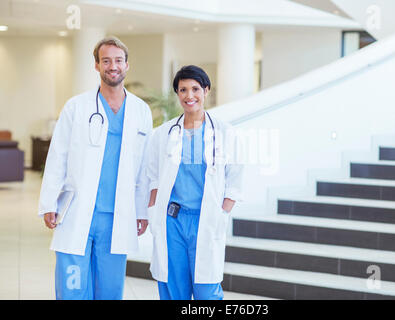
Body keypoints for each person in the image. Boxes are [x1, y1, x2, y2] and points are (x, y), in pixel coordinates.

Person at [38, 36, 153, 300]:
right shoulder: (76, 107)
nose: (113, 66)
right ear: (97, 66)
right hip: (76, 211)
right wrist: (48, 203)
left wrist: (142, 210)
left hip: (117, 215)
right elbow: (57, 156)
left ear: (127, 65)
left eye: (118, 60)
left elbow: (145, 168)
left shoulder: (140, 111)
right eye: (106, 61)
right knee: (72, 289)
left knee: (110, 291)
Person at [147, 65, 243, 300]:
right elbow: (153, 179)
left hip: (207, 220)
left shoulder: (225, 133)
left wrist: (221, 214)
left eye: (195, 89)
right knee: (173, 290)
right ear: (177, 94)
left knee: (206, 292)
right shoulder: (163, 133)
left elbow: (235, 182)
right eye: (183, 90)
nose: (189, 96)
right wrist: (153, 213)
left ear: (206, 90)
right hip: (172, 223)